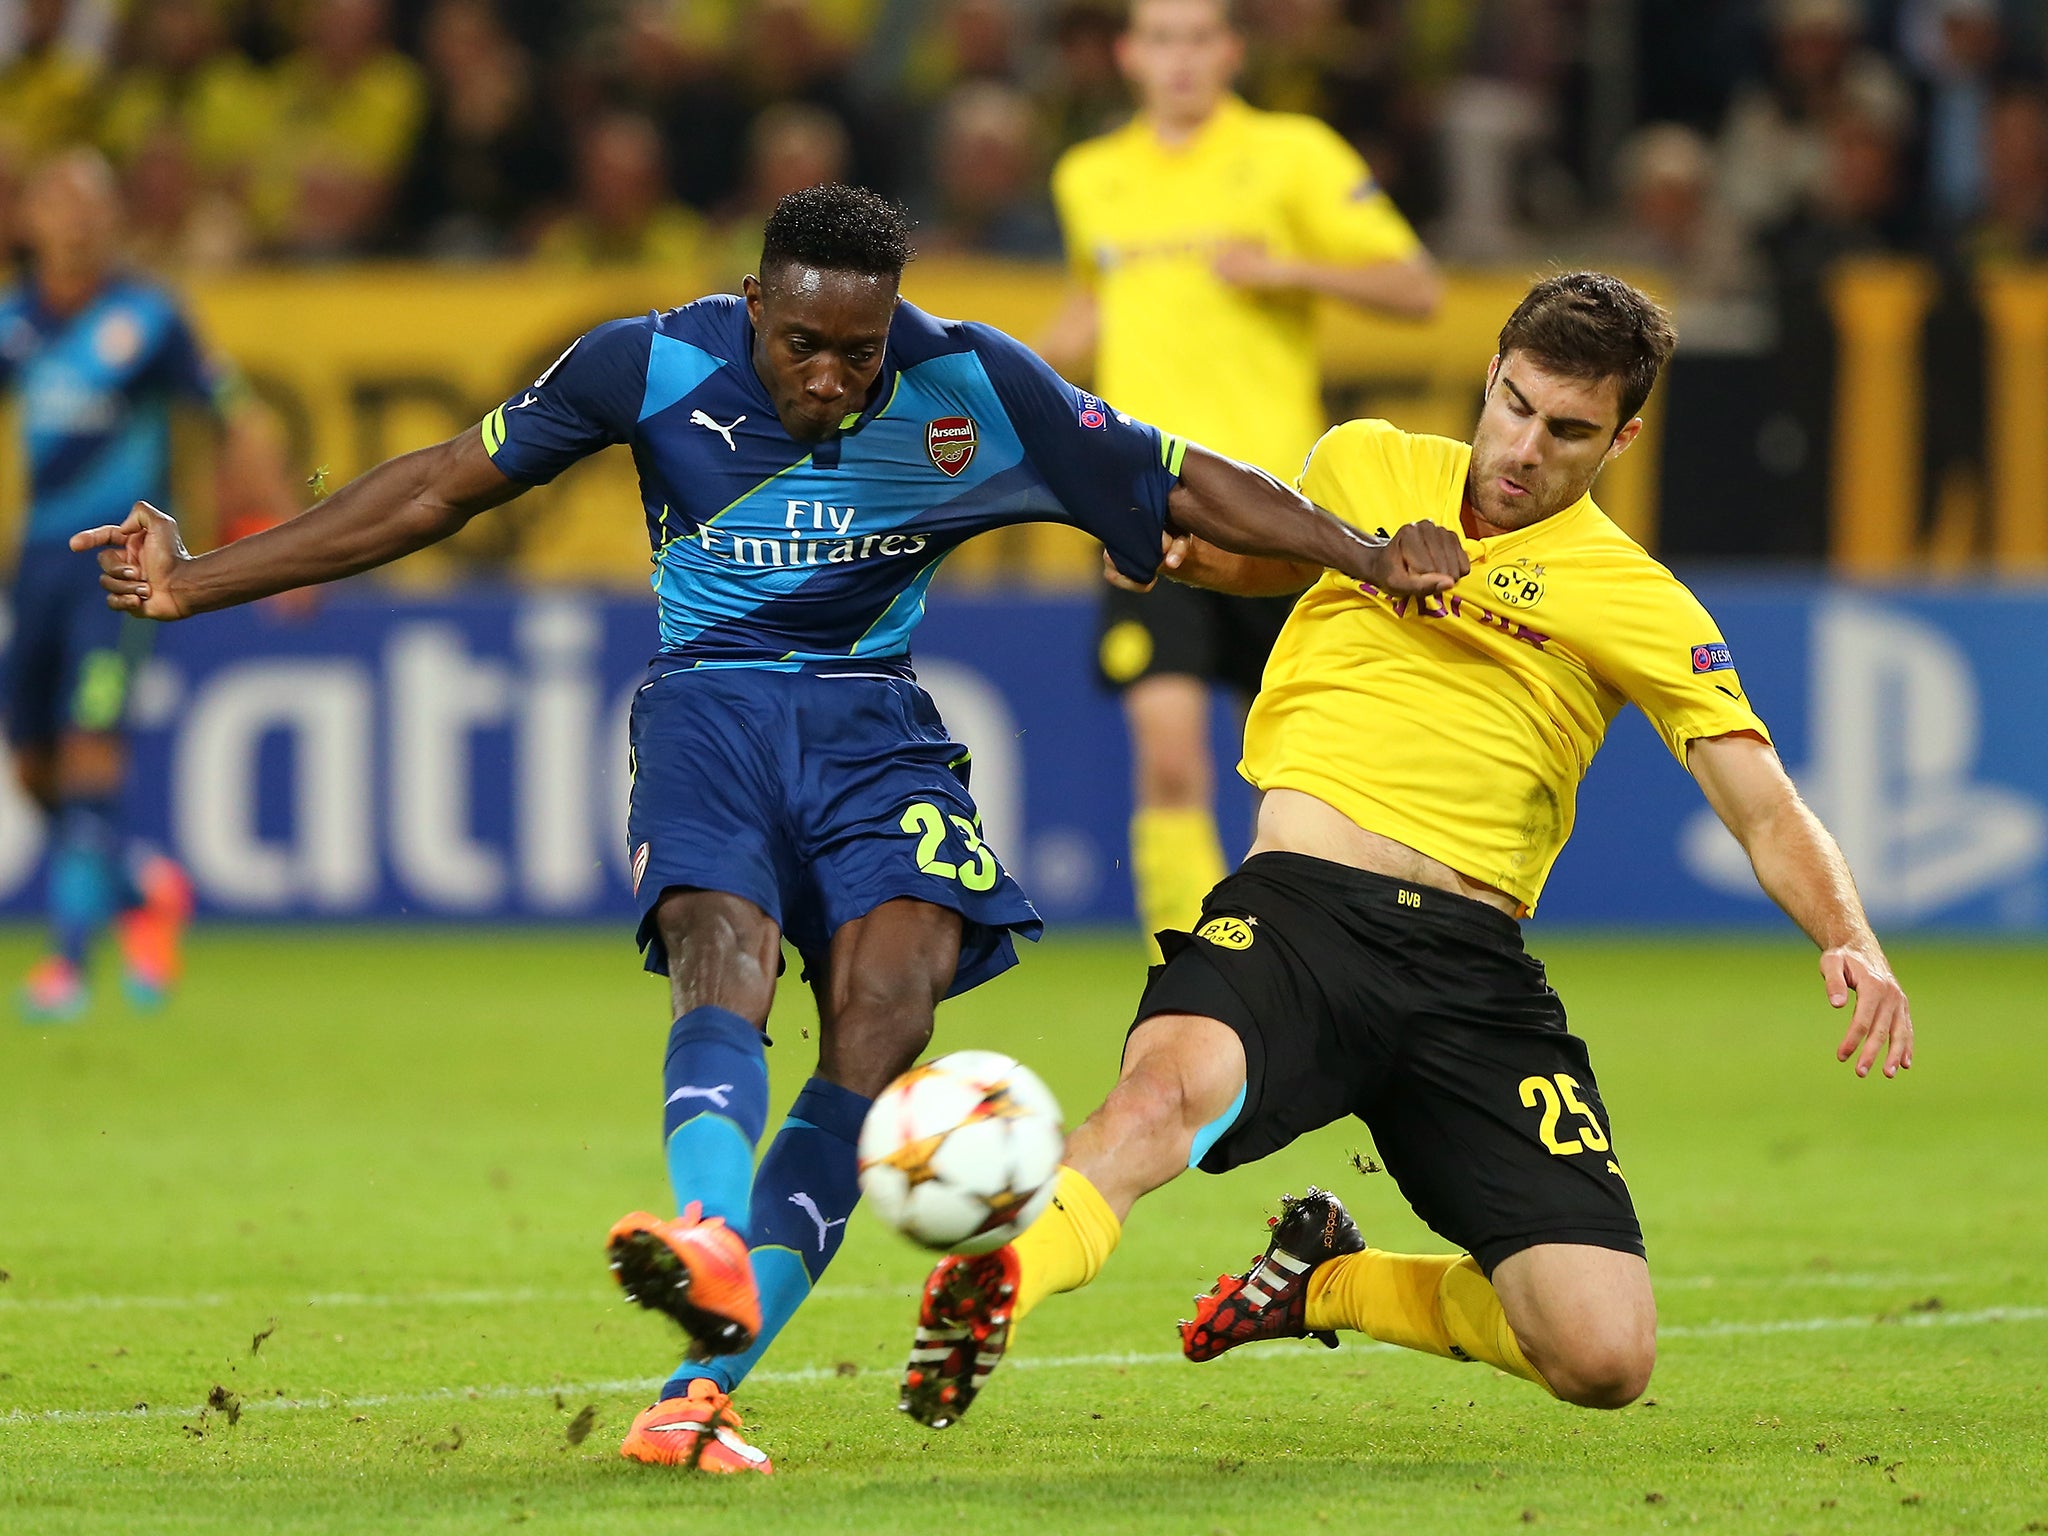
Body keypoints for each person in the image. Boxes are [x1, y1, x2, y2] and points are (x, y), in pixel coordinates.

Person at [73, 183, 1466, 1473]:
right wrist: (199, 582)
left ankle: (699, 1394)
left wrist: (1363, 552)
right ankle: (706, 1227)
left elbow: (1181, 477)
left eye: (860, 351)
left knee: (889, 1013)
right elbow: (439, 483)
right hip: (712, 716)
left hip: (879, 728)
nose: (833, 377)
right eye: (805, 343)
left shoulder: (971, 380)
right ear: (754, 302)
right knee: (722, 950)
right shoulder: (647, 364)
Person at [898, 271, 1915, 1432]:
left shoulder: (1642, 602)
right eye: (1515, 405)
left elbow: (1765, 806)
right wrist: (1178, 561)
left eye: (1569, 429)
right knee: (1159, 1100)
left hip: (1473, 975)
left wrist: (1849, 936)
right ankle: (992, 1289)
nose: (1525, 446)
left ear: (1622, 436)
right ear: (1490, 374)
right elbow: (1263, 565)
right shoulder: (1366, 463)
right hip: (1297, 917)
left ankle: (1328, 1278)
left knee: (1601, 1354)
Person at [1042, 0, 1439, 956]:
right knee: (1170, 759)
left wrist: (1288, 267)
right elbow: (1102, 307)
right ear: (1132, 56)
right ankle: (1183, 973)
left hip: (1279, 511)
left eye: (1198, 40)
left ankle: (1321, 965)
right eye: (1161, 41)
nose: (1180, 60)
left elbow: (1416, 286)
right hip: (1155, 500)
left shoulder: (1292, 153)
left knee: (1296, 774)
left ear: (1229, 52)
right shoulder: (1090, 177)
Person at [2, 149, 290, 1019]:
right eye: (60, 200)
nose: (78, 218)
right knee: (33, 768)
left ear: (115, 219)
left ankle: (66, 962)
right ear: (30, 222)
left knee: (92, 745)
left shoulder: (151, 317)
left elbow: (232, 414)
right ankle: (141, 893)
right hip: (36, 567)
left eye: (94, 201)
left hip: (118, 567)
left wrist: (279, 533)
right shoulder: (15, 322)